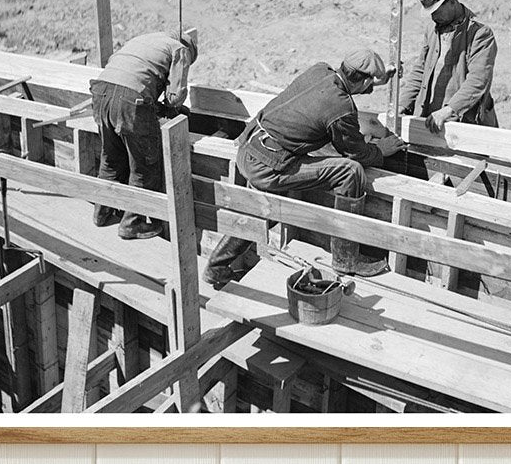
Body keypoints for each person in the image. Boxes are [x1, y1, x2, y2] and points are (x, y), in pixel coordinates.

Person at [203, 50, 407, 288]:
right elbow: (357, 153)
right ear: (364, 80)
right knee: (350, 171)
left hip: (251, 148)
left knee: (263, 209)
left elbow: (322, 111)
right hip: (268, 167)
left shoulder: (319, 70)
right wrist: (382, 149)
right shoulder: (341, 107)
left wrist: (378, 78)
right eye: (371, 83)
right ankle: (346, 259)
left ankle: (216, 268)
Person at [90, 28, 198, 240]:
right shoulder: (180, 50)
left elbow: (127, 72)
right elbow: (175, 96)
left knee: (111, 158)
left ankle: (101, 212)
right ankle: (132, 224)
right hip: (130, 100)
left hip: (100, 92)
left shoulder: (143, 39)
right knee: (145, 165)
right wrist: (170, 106)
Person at [398, 0, 499, 132]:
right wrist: (402, 105)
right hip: (430, 118)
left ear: (452, 1)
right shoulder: (432, 29)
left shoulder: (479, 33)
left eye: (436, 11)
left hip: (464, 121)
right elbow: (420, 71)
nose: (433, 16)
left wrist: (449, 110)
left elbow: (478, 80)